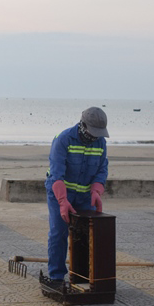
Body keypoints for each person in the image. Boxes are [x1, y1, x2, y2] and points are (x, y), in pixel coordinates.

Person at [45, 107, 109, 288]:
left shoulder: (101, 143)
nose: (95, 137)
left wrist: (97, 190)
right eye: (92, 132)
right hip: (59, 192)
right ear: (82, 125)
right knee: (59, 233)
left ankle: (82, 274)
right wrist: (63, 201)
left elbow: (102, 168)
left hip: (85, 195)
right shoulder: (63, 139)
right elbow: (56, 174)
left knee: (85, 235)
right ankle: (56, 277)